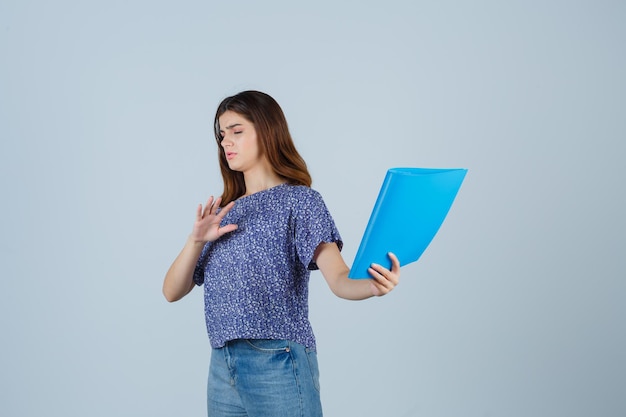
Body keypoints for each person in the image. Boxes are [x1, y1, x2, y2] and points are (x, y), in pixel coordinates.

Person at [163, 90, 400, 417]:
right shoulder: (224, 213)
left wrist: (372, 286)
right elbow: (171, 291)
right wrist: (195, 241)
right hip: (221, 365)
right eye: (221, 135)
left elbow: (339, 278)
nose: (225, 142)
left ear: (267, 131)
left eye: (237, 131)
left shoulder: (301, 202)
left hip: (276, 359)